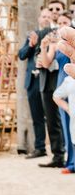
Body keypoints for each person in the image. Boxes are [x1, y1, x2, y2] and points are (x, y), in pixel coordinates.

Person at [38, 11, 72, 170]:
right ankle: (70, 161)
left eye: (65, 22)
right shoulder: (55, 42)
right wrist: (43, 47)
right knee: (65, 122)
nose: (61, 25)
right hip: (61, 80)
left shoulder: (72, 39)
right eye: (59, 23)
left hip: (72, 80)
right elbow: (45, 63)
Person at [33, 10, 65, 168]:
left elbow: (49, 63)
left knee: (59, 122)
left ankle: (61, 155)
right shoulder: (48, 38)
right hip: (45, 84)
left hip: (58, 84)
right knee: (52, 122)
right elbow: (43, 61)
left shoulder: (61, 40)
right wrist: (43, 48)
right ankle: (57, 155)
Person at [18, 8, 50, 158]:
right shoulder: (33, 35)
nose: (45, 19)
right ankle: (40, 148)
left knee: (51, 117)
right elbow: (22, 55)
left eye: (48, 17)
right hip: (32, 82)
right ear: (39, 18)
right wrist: (31, 45)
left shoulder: (53, 35)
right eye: (43, 16)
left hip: (48, 80)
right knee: (36, 117)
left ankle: (59, 149)